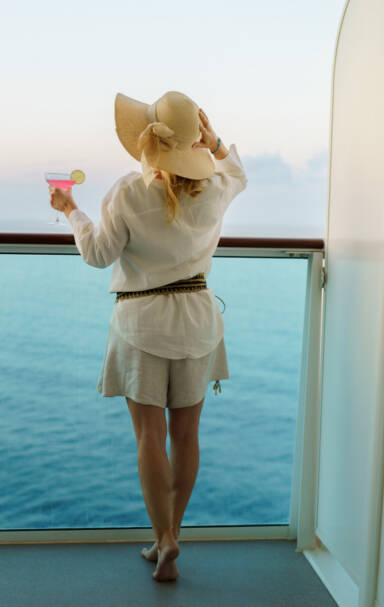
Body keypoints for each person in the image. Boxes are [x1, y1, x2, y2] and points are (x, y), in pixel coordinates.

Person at [47, 91, 247, 582]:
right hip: (197, 322)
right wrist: (214, 140)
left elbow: (97, 254)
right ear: (193, 138)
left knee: (149, 438)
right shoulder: (216, 189)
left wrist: (70, 210)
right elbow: (239, 172)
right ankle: (172, 535)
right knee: (186, 436)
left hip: (142, 326)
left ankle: (163, 541)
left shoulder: (127, 193)